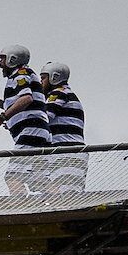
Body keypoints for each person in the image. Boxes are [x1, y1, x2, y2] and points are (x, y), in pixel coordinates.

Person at [0, 44, 51, 194]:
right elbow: (27, 102)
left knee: (13, 176)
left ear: (12, 59)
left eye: (3, 59)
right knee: (41, 179)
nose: (0, 63)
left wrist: (1, 118)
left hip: (30, 131)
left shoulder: (20, 74)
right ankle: (56, 204)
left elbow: (26, 98)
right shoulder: (25, 74)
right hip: (39, 131)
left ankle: (20, 206)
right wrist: (2, 104)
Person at [41, 61, 86, 192]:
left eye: (43, 78)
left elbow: (45, 117)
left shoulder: (59, 93)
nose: (40, 82)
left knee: (68, 195)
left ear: (54, 77)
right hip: (65, 151)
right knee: (61, 194)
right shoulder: (61, 93)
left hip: (68, 152)